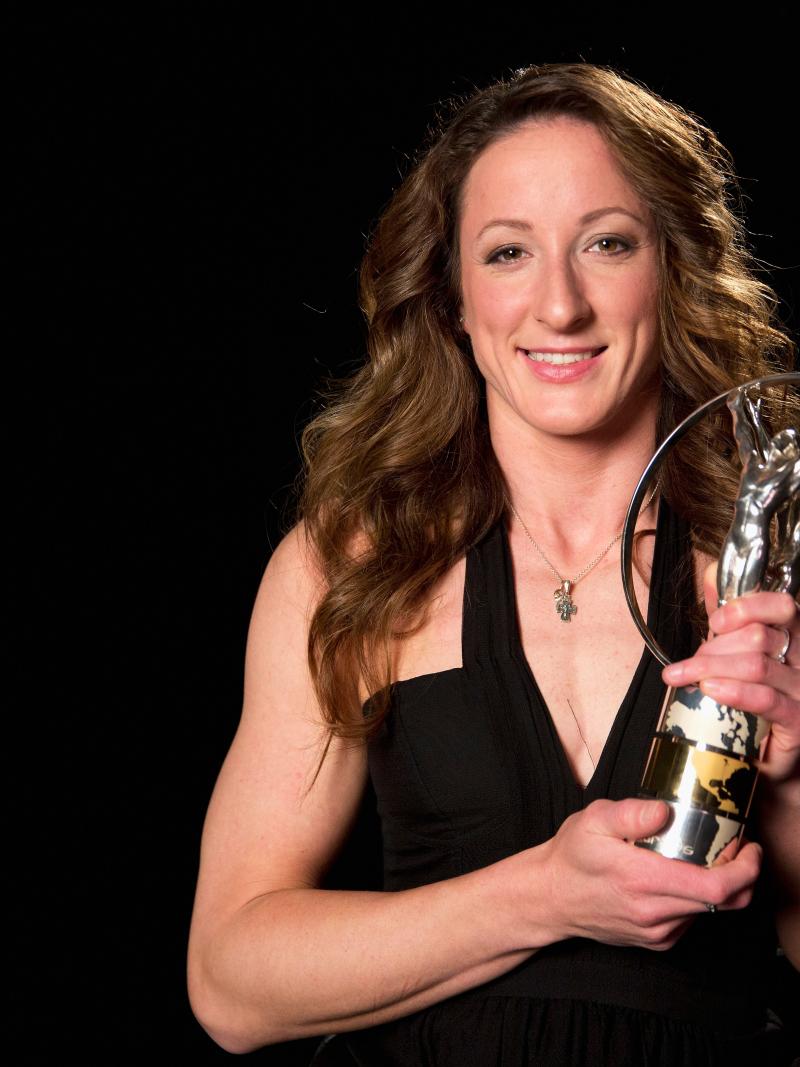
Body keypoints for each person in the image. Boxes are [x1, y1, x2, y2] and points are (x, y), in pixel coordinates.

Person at [187, 64, 800, 1064]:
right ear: (453, 298)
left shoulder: (765, 579)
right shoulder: (356, 565)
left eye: (606, 243)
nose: (557, 306)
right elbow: (229, 982)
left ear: (672, 267)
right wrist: (542, 894)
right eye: (507, 252)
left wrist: (792, 778)